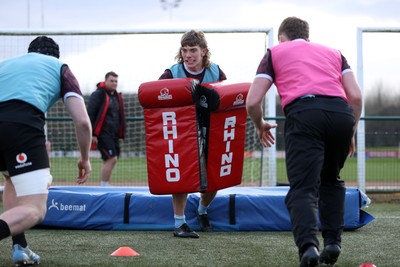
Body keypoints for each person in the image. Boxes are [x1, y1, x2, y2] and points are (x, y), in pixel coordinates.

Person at [246, 17, 362, 267]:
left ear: (281, 38)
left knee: (303, 188)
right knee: (331, 180)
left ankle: (308, 247)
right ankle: (333, 243)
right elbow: (355, 96)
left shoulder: (275, 53)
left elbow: (253, 101)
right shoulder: (335, 53)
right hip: (341, 114)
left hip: (305, 113)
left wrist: (260, 124)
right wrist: (351, 130)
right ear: (307, 37)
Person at [0, 36, 92, 265]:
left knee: (11, 178)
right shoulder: (59, 68)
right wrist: (85, 158)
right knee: (35, 209)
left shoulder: (6, 64)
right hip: (20, 125)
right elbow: (82, 121)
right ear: (55, 56)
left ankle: (20, 246)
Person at [159, 29, 227, 238]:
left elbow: (227, 99)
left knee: (214, 179)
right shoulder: (171, 73)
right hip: (182, 131)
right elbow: (157, 97)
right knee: (182, 175)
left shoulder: (217, 72)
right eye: (185, 50)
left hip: (211, 130)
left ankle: (202, 210)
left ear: (204, 51)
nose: (188, 55)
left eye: (193, 50)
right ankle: (179, 223)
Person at [87, 71, 126, 186]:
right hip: (102, 133)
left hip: (113, 134)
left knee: (110, 159)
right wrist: (92, 134)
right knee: (111, 158)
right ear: (105, 81)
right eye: (111, 81)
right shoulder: (98, 94)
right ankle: (104, 185)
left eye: (116, 81)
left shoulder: (116, 96)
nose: (114, 83)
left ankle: (105, 183)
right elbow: (90, 114)